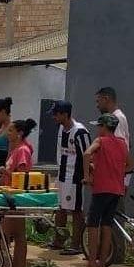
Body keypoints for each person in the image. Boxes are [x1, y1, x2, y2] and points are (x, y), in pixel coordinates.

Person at [83, 114, 134, 267]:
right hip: (116, 191)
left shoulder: (100, 141)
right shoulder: (121, 144)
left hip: (101, 189)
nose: (98, 129)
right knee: (107, 226)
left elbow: (86, 154)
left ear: (104, 127)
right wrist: (116, 171)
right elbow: (130, 165)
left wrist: (86, 176)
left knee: (93, 225)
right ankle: (102, 265)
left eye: (99, 126)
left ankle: (91, 264)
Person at [0, 118, 37, 267]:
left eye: (11, 131)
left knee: (18, 235)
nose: (8, 133)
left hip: (17, 199)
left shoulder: (23, 151)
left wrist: (5, 172)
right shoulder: (15, 150)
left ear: (19, 133)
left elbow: (22, 176)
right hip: (9, 197)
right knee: (10, 234)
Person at [49, 100, 91, 255]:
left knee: (76, 210)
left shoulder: (80, 132)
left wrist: (87, 175)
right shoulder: (61, 129)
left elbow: (88, 155)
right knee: (60, 208)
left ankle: (76, 244)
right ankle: (59, 240)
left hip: (75, 178)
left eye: (56, 114)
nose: (54, 117)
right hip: (62, 175)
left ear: (65, 115)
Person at [95, 87, 133, 191]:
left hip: (117, 174)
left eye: (98, 101)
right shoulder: (118, 117)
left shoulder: (116, 118)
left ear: (106, 99)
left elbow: (119, 147)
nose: (97, 105)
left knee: (115, 205)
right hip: (117, 173)